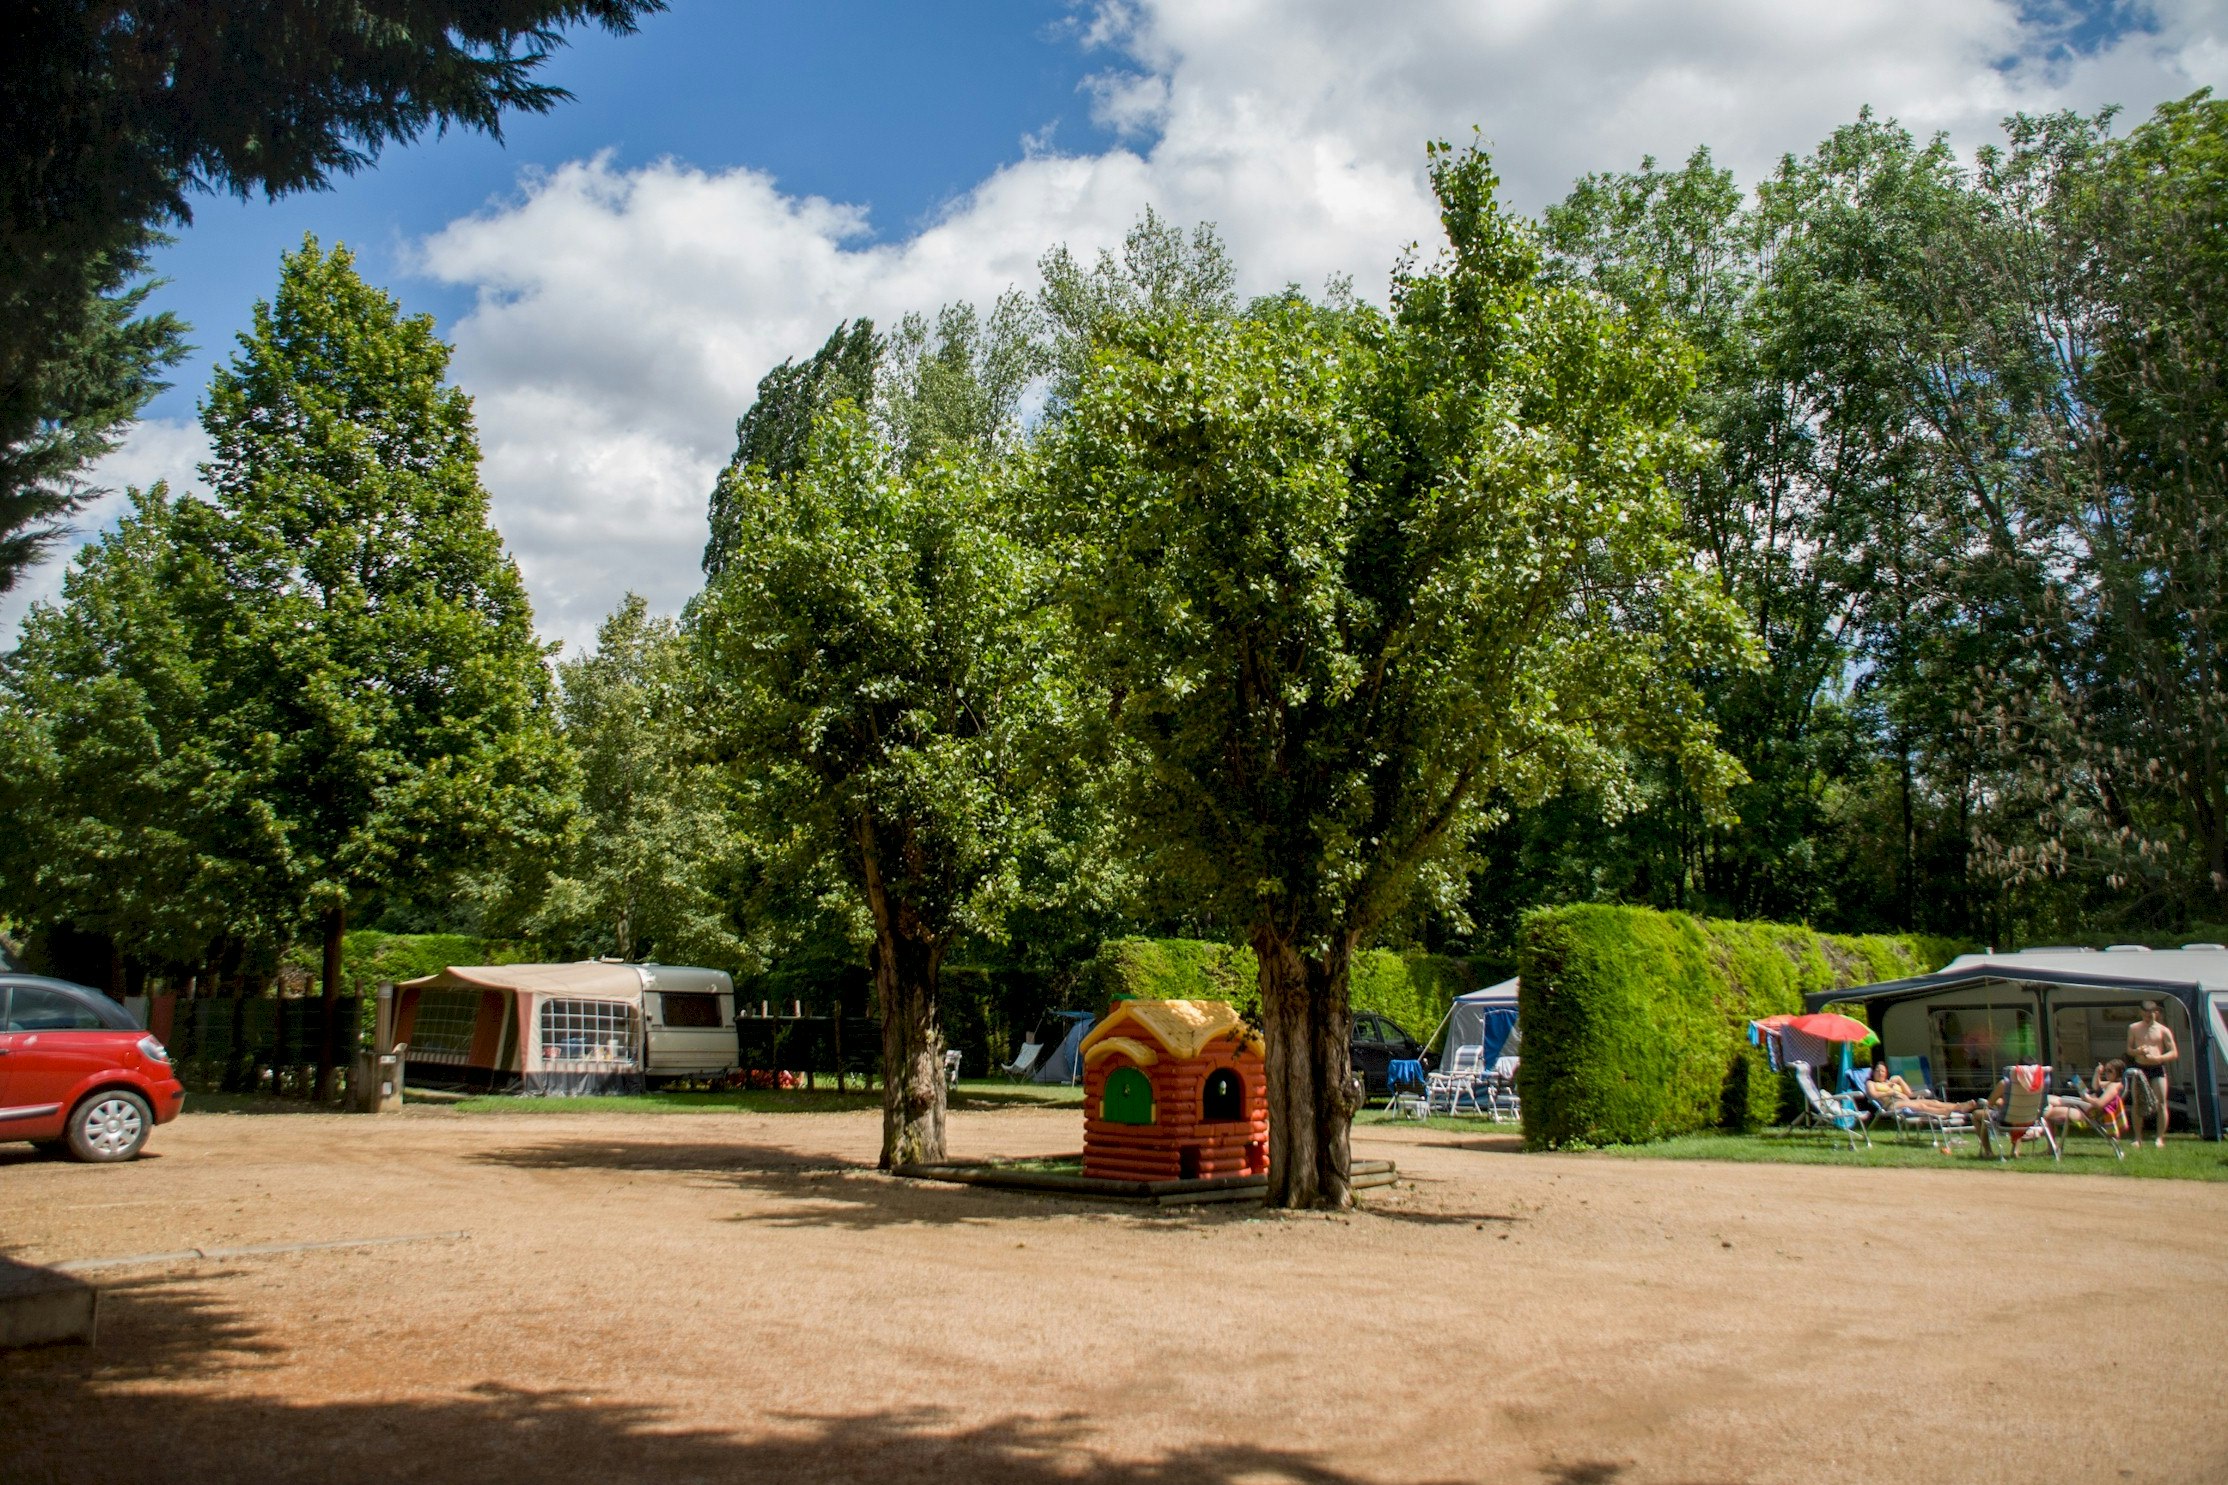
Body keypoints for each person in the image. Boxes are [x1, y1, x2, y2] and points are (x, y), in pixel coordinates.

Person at [2124, 1001, 2179, 1148]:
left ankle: (2159, 1138)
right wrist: (2138, 1051)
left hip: (2157, 1068)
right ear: (2141, 1012)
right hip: (2140, 1068)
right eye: (2146, 1014)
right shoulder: (2134, 1028)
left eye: (2151, 1014)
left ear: (2157, 1013)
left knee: (2161, 1103)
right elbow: (2129, 1049)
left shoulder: (2163, 1030)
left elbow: (2174, 1052)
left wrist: (2159, 1058)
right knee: (2137, 1103)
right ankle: (2137, 1138)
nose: (2148, 1017)